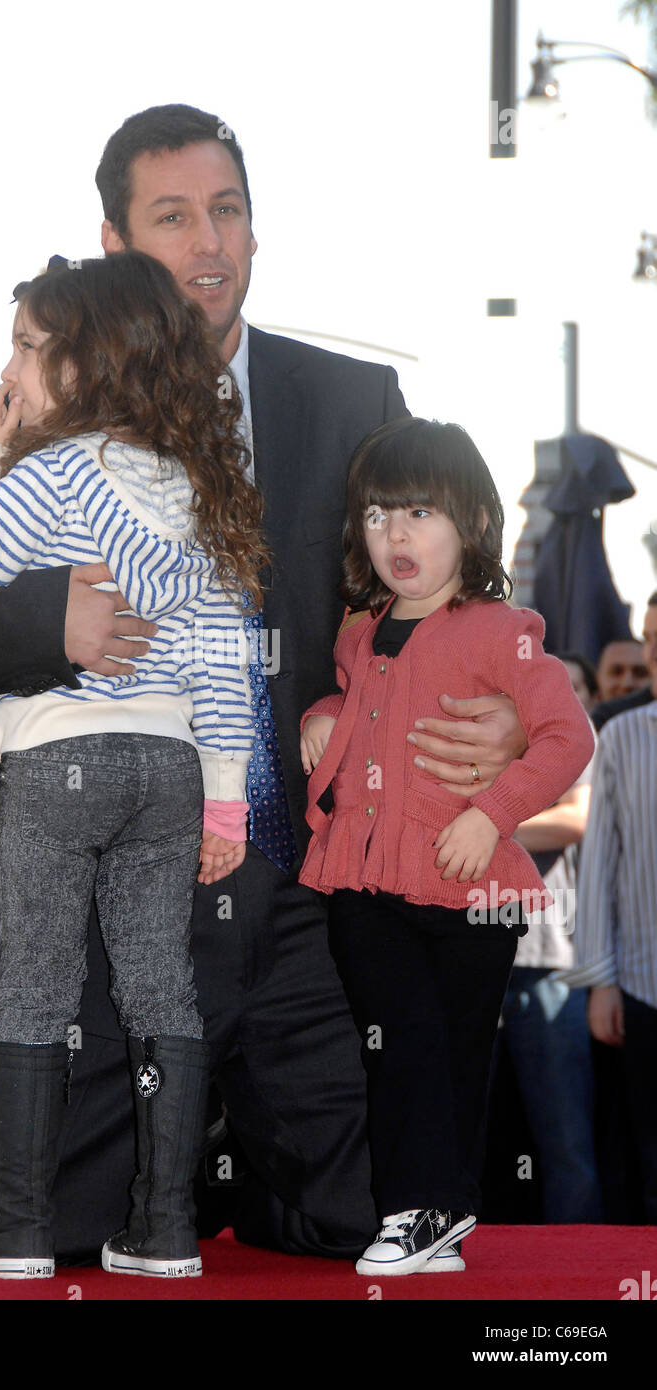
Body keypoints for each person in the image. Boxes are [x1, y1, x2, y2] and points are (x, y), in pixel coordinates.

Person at [0, 104, 527, 1262]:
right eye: (173, 216)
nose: (209, 243)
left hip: (305, 896)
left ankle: (235, 1180)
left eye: (227, 210)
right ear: (114, 240)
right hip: (104, 890)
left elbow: (456, 591)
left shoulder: (355, 405)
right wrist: (54, 624)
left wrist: (492, 710)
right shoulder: (35, 419)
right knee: (67, 1236)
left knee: (356, 1221)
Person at [0, 252, 265, 1280]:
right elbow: (223, 657)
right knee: (162, 987)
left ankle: (20, 1226)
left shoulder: (52, 473)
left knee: (37, 986)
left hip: (57, 757)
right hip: (167, 769)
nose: (12, 366)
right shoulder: (204, 491)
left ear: (87, 364)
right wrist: (223, 804)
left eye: (32, 345)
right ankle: (162, 1229)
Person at [299, 418, 594, 1275]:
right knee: (400, 1037)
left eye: (420, 511)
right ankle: (417, 1207)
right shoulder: (357, 633)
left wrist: (493, 811)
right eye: (378, 512)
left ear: (468, 520)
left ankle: (436, 1212)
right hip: (365, 881)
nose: (395, 532)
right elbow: (355, 706)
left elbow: (566, 740)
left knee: (456, 1044)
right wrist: (324, 716)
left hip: (473, 890)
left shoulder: (504, 631)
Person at [488, 651, 601, 1223]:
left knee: (565, 1142)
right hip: (471, 958)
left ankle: (582, 1277)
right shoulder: (468, 724)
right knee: (462, 1138)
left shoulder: (565, 729)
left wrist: (482, 822)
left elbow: (576, 818)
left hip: (547, 961)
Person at [562, 594, 657, 1222]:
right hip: (644, 987)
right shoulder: (621, 735)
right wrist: (600, 981)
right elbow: (599, 866)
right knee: (648, 1157)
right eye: (652, 636)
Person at [590, 600, 657, 731]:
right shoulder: (608, 724)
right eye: (616, 672)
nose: (627, 683)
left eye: (640, 673)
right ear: (597, 678)